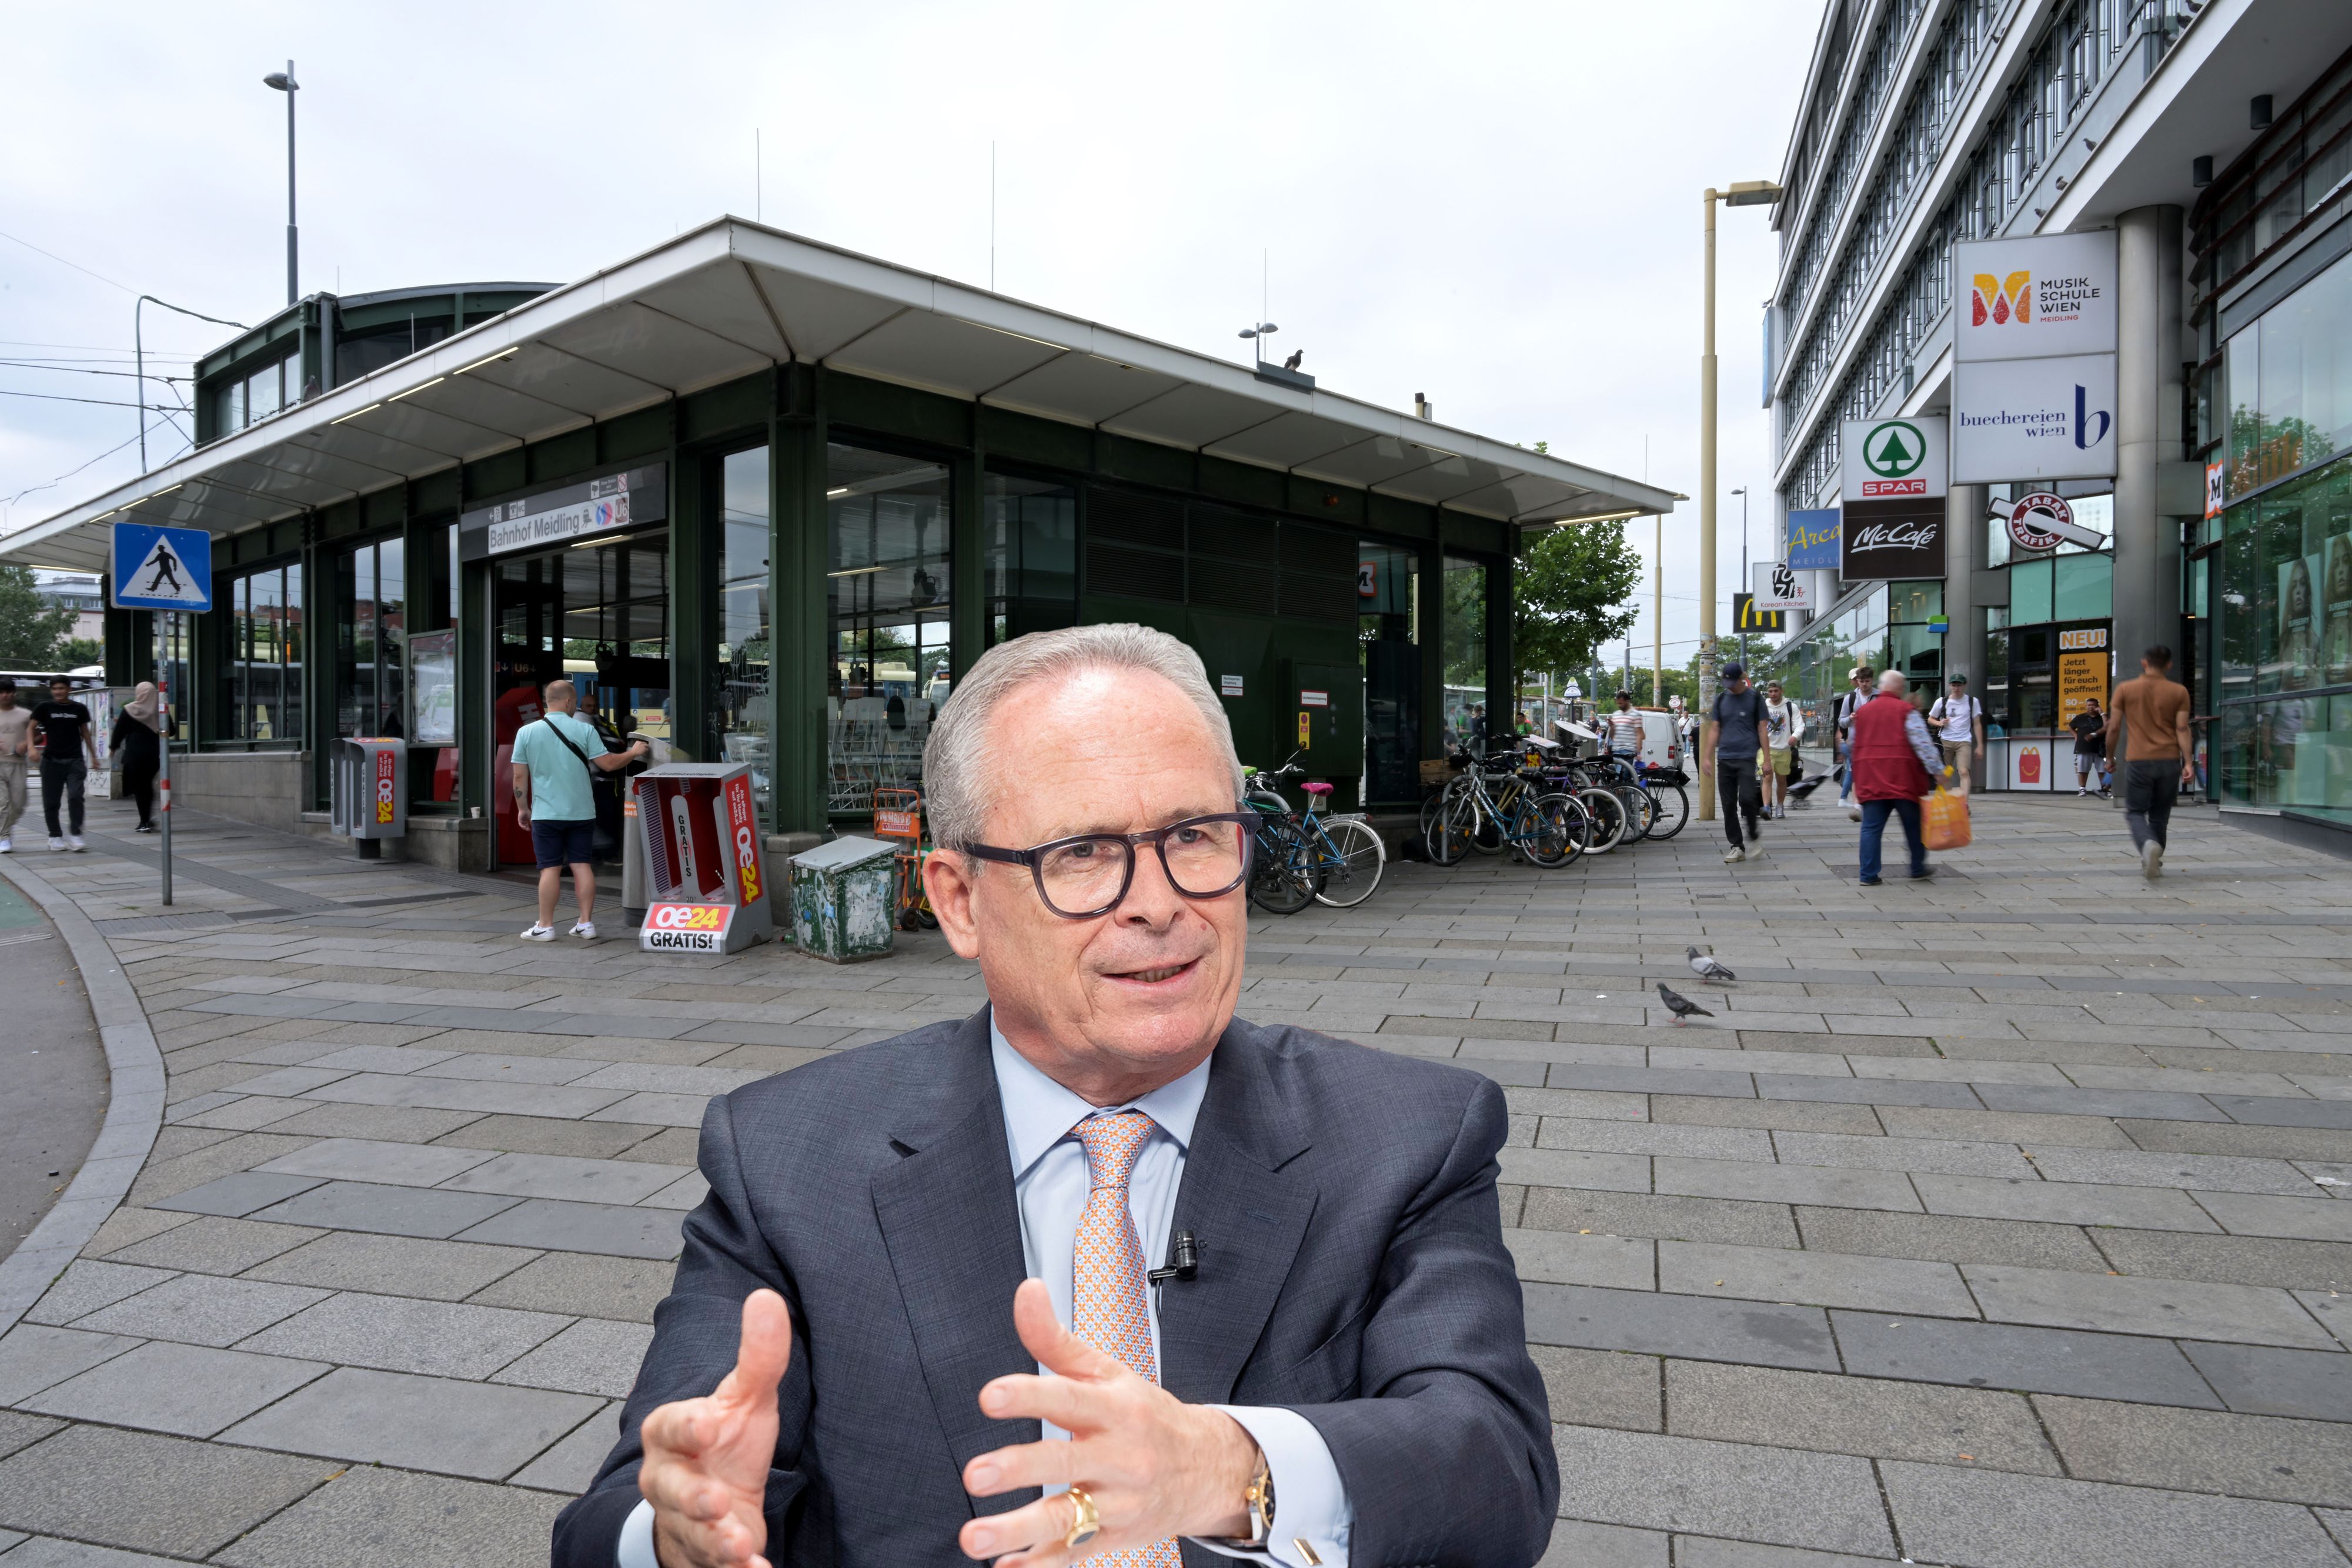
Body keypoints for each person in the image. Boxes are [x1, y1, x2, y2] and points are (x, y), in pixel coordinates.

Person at [552, 624, 1555, 1568]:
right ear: (957, 899)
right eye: (1082, 853)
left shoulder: (1410, 1134)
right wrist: (678, 1531)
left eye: (1196, 836)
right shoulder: (786, 1155)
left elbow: (1494, 1467)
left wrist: (1231, 1469)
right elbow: (613, 1522)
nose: (1160, 903)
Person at [512, 678, 649, 940]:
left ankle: (545, 926)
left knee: (550, 868)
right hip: (582, 812)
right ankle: (586, 923)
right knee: (581, 865)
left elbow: (519, 778)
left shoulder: (526, 733)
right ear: (567, 701)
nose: (575, 706)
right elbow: (608, 764)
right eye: (574, 701)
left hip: (546, 813)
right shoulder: (584, 731)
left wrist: (522, 808)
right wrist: (633, 752)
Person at [2109, 644, 2195, 879]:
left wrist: (2109, 757)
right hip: (2169, 760)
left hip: (2139, 760)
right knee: (2160, 814)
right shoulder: (2179, 692)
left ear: (2144, 663)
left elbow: (2114, 727)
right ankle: (2155, 855)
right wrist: (2188, 762)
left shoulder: (2125, 689)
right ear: (2169, 665)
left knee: (2135, 812)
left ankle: (2147, 845)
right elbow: (2182, 728)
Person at [1851, 668, 1942, 886]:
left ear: (1881, 687)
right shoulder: (1906, 711)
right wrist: (1939, 774)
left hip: (1872, 779)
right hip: (1904, 780)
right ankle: (1917, 868)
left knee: (1871, 828)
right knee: (1914, 826)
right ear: (1899, 688)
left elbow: (1852, 744)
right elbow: (1924, 746)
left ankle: (1868, 875)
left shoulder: (1863, 713)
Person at [1706, 661, 1768, 863]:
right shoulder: (1722, 699)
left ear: (1742, 678)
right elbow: (1715, 728)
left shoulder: (1756, 698)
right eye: (1727, 682)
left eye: (1733, 681)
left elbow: (1762, 729)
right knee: (1728, 804)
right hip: (1725, 758)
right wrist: (1707, 756)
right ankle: (1737, 846)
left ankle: (1753, 835)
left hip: (1747, 757)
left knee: (1748, 799)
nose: (1730, 686)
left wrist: (1767, 759)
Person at [32, 677, 98, 852]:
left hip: (75, 761)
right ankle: (55, 836)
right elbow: (30, 727)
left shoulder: (79, 709)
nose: (58, 692)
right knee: (51, 801)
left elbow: (85, 732)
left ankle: (76, 835)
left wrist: (94, 756)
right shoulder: (44, 708)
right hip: (51, 762)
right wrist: (31, 748)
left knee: (76, 796)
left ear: (69, 689)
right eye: (54, 689)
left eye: (61, 688)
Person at [111, 682, 167, 833]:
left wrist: (113, 748)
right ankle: (147, 818)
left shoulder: (130, 710)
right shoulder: (160, 710)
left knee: (140, 787)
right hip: (154, 754)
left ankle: (145, 821)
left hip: (135, 755)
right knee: (146, 785)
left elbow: (119, 732)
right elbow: (171, 730)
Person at [1926, 673, 1986, 795]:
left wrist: (1980, 746)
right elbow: (1930, 719)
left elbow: (1977, 724)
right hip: (1945, 741)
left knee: (1964, 772)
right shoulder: (1942, 701)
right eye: (1954, 685)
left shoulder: (1972, 702)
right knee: (1945, 774)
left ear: (1964, 686)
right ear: (1950, 686)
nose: (1956, 688)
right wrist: (1939, 723)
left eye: (1959, 685)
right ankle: (1948, 802)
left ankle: (1964, 804)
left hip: (1964, 741)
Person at [1836, 665, 1874, 821]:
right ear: (1857, 681)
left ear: (1872, 681)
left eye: (1867, 681)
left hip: (1875, 742)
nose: (1864, 684)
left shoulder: (1879, 697)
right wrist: (1850, 719)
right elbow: (1841, 722)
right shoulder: (1850, 699)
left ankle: (1869, 803)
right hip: (1856, 743)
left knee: (1872, 774)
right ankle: (1858, 806)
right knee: (1857, 773)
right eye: (1861, 681)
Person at [1762, 680, 1803, 818]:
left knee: (1781, 779)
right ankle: (1767, 807)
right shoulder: (1763, 706)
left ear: (1781, 691)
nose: (1773, 694)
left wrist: (1795, 736)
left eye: (1776, 691)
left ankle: (1780, 806)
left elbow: (1800, 725)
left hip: (1784, 749)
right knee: (1767, 777)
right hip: (1766, 749)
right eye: (1770, 692)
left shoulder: (1791, 707)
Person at [0, 681, 29, 854]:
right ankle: (4, 836)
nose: (4, 696)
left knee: (18, 804)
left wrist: (25, 745)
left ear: (14, 694)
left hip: (18, 764)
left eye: (8, 692)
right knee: (3, 803)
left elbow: (38, 737)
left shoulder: (26, 715)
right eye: (1, 692)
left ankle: (5, 829)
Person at [2070, 698, 2107, 798]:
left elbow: (2107, 726)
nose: (2091, 707)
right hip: (2084, 747)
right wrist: (2075, 735)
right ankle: (2082, 788)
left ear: (2097, 706)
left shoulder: (2102, 717)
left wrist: (2102, 713)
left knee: (2102, 770)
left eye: (2093, 705)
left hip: (2100, 748)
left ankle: (2104, 789)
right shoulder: (2080, 717)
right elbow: (2070, 727)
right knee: (2083, 769)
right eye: (2089, 705)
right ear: (2086, 706)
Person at [1605, 690, 1645, 779]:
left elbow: (1639, 734)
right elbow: (1612, 736)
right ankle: (1627, 792)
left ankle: (1628, 792)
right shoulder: (1616, 714)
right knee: (1619, 777)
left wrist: (1638, 752)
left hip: (1629, 750)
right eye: (1618, 704)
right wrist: (1612, 726)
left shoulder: (1636, 714)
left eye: (1621, 703)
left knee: (1623, 776)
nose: (1619, 706)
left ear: (1627, 701)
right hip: (1617, 750)